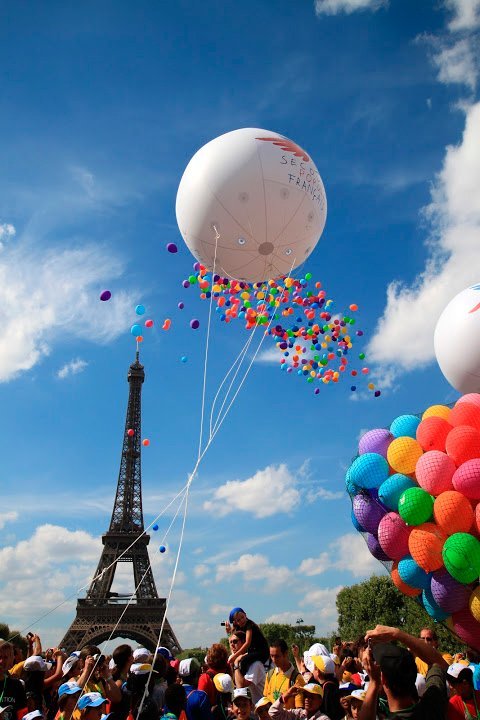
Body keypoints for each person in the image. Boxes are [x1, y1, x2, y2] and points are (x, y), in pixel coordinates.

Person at [359, 624, 448, 720]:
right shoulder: (432, 706)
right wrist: (397, 634)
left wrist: (373, 683)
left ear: (383, 679)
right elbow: (438, 662)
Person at [226, 609, 269, 675]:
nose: (242, 620)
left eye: (242, 617)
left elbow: (247, 643)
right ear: (235, 622)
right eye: (238, 620)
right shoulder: (239, 628)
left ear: (245, 615)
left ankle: (242, 679)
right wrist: (229, 633)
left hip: (261, 651)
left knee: (244, 661)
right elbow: (232, 641)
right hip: (252, 651)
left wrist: (235, 656)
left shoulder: (249, 625)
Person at [264, 640, 304, 709]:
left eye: (277, 656)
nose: (273, 660)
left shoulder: (297, 679)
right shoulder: (270, 674)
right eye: (271, 656)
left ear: (285, 654)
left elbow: (299, 710)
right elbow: (265, 700)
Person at [230, 632, 266, 705]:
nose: (232, 645)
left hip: (259, 712)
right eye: (230, 642)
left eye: (235, 641)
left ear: (244, 643)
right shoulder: (240, 661)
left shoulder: (255, 664)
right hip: (246, 711)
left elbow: (240, 686)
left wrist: (236, 664)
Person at [0, 640, 28, 720]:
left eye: (5, 657)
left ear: (11, 660)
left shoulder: (17, 685)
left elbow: (22, 714)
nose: (1, 661)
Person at [310, 655, 343, 720]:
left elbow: (328, 711)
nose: (312, 671)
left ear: (318, 672)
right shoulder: (332, 683)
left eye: (314, 668)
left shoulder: (328, 688)